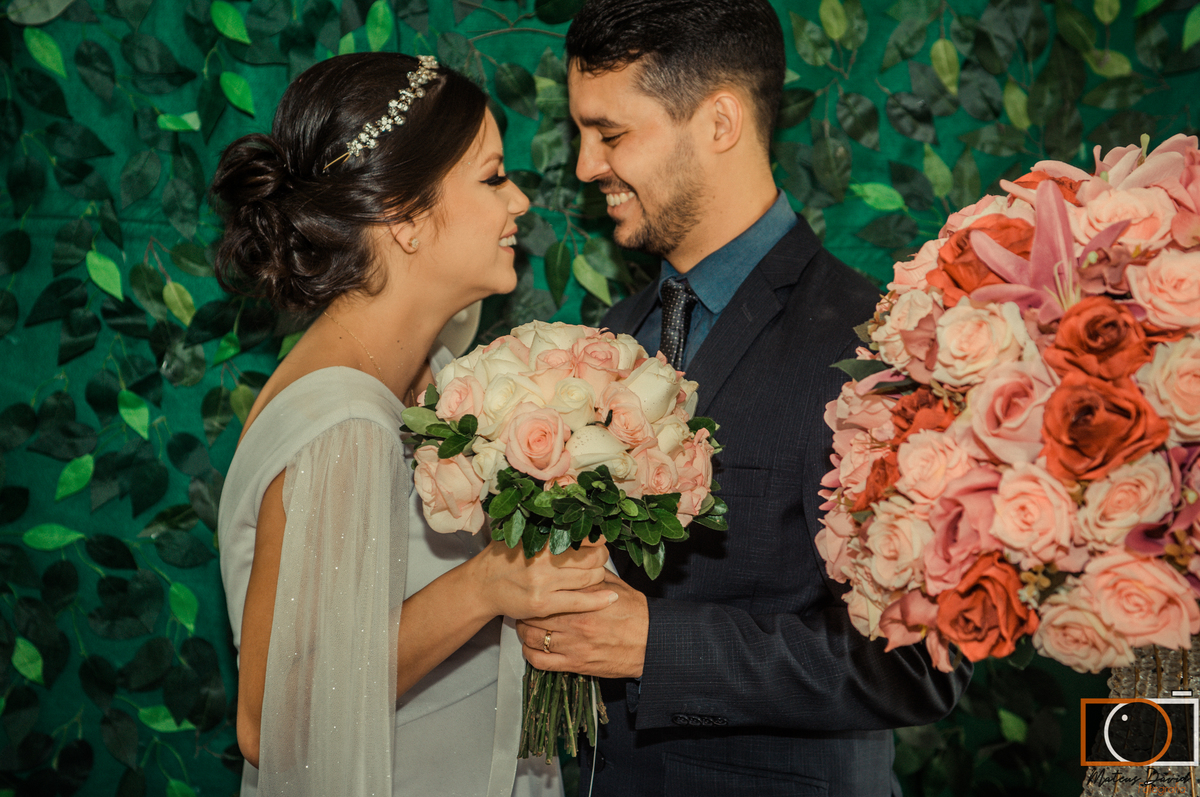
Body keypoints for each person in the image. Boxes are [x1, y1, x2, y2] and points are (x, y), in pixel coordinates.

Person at [514, 2, 973, 795]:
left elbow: (920, 665)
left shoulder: (875, 345)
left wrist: (658, 647)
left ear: (719, 121)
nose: (586, 165)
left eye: (611, 133)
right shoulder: (607, 338)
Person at [212, 52, 616, 797]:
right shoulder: (345, 423)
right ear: (402, 215)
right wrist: (487, 584)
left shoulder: (411, 381)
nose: (520, 200)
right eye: (493, 176)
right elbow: (271, 721)